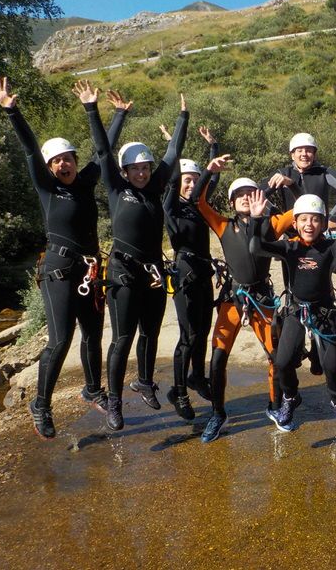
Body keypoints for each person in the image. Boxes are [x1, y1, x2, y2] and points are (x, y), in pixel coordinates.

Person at [0, 77, 130, 439]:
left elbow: (104, 152)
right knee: (60, 339)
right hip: (58, 270)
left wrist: (114, 115)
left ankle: (91, 388)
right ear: (50, 167)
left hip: (88, 268)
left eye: (68, 159)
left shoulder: (84, 183)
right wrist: (12, 111)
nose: (64, 164)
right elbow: (30, 150)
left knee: (93, 335)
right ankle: (41, 404)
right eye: (58, 161)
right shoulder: (47, 187)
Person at [191, 158, 299, 443]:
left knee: (276, 358)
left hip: (262, 297)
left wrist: (292, 184)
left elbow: (302, 209)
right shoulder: (223, 225)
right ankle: (217, 413)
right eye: (238, 195)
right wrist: (209, 172)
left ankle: (275, 408)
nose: (244, 199)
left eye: (250, 194)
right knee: (217, 358)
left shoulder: (272, 224)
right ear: (231, 202)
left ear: (259, 198)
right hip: (233, 298)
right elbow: (197, 201)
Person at [249, 190, 336, 432]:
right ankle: (290, 398)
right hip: (297, 311)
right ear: (294, 223)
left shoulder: (331, 247)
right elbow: (255, 248)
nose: (309, 224)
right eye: (304, 219)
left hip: (324, 312)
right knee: (282, 361)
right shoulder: (289, 247)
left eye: (315, 219)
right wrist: (256, 219)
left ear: (324, 224)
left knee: (331, 365)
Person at [103, 94, 188, 431]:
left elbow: (173, 153)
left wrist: (183, 117)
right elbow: (102, 151)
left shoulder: (154, 189)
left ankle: (144, 381)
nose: (140, 173)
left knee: (150, 331)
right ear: (124, 171)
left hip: (153, 271)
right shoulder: (115, 189)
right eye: (134, 168)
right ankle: (113, 400)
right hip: (123, 271)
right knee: (122, 338)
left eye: (144, 167)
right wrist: (114, 114)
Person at [260, 133, 336, 377]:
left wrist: (332, 216)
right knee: (294, 293)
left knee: (319, 286)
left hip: (319, 238)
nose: (305, 154)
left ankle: (316, 349)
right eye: (299, 151)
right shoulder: (282, 173)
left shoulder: (323, 172)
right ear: (292, 154)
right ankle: (296, 346)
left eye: (309, 150)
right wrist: (277, 217)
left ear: (314, 153)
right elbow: (257, 195)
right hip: (292, 242)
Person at [162, 126, 221, 419]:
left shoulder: (199, 207)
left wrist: (213, 146)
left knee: (203, 330)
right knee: (187, 336)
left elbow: (213, 180)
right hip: (184, 272)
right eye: (187, 180)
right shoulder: (171, 207)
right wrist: (173, 149)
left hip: (204, 271)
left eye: (194, 180)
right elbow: (172, 184)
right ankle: (179, 392)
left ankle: (197, 376)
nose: (191, 184)